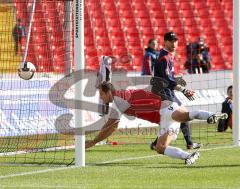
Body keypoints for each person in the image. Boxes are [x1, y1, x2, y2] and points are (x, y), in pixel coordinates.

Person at [85, 82, 227, 165]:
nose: (101, 98)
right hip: (165, 113)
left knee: (181, 116)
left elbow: (111, 126)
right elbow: (110, 123)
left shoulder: (118, 101)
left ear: (108, 91)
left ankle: (210, 116)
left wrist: (93, 141)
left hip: (163, 109)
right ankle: (189, 155)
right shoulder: (123, 95)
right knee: (160, 147)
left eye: (101, 95)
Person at [151, 31, 201, 150]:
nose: (174, 43)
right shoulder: (164, 57)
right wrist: (183, 90)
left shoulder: (167, 56)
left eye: (175, 41)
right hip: (164, 93)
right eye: (171, 41)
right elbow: (167, 80)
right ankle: (187, 143)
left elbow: (167, 77)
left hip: (167, 92)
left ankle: (158, 143)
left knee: (179, 116)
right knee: (180, 115)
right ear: (165, 42)